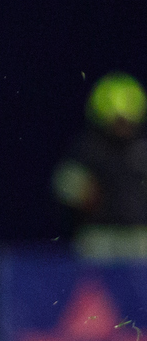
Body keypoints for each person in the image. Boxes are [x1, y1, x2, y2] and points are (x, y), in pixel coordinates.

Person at [52, 72, 147, 260]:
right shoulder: (87, 148)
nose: (122, 125)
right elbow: (63, 187)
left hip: (139, 237)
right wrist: (84, 192)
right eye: (117, 119)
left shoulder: (142, 149)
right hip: (98, 236)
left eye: (126, 120)